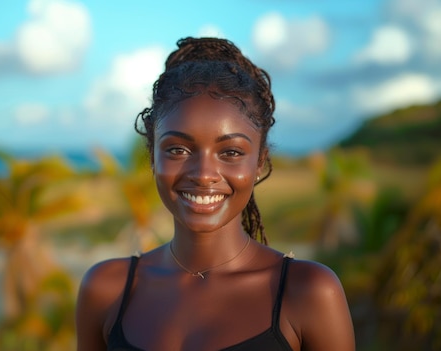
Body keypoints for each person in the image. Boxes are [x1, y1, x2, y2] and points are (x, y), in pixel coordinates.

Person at [76, 37, 355, 351]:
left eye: (232, 152)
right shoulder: (106, 289)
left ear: (260, 161)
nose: (204, 174)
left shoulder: (307, 293)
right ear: (152, 155)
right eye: (178, 149)